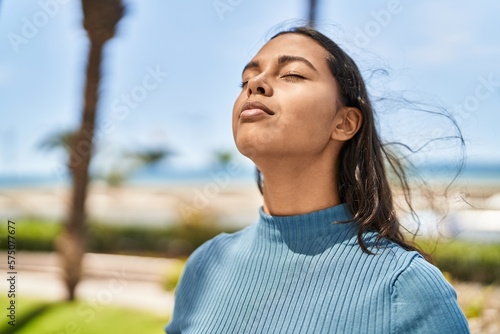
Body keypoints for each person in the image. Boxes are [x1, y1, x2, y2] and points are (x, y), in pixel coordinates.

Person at [165, 26, 469, 333]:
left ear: (344, 122)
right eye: (246, 79)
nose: (255, 83)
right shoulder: (206, 264)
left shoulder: (404, 288)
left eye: (292, 74)